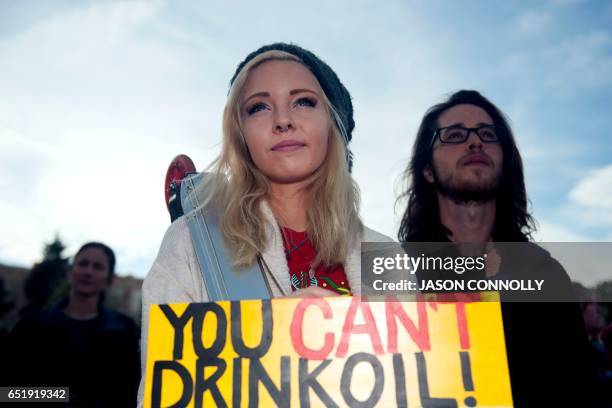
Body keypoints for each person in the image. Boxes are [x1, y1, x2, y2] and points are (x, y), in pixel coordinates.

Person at [139, 43, 392, 404]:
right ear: (239, 135)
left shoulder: (386, 254)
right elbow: (164, 394)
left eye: (304, 101)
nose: (283, 119)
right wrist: (274, 341)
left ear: (333, 123)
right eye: (258, 107)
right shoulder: (191, 244)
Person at [397, 90, 596, 406]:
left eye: (488, 134)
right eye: (455, 135)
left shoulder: (546, 276)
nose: (475, 142)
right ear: (428, 170)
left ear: (506, 164)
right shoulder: (394, 273)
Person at [7, 242, 140, 407]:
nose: (88, 272)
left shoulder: (125, 332)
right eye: (83, 264)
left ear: (110, 280)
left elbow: (133, 393)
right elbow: (9, 393)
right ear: (70, 272)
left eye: (97, 267)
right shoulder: (29, 328)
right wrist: (64, 396)